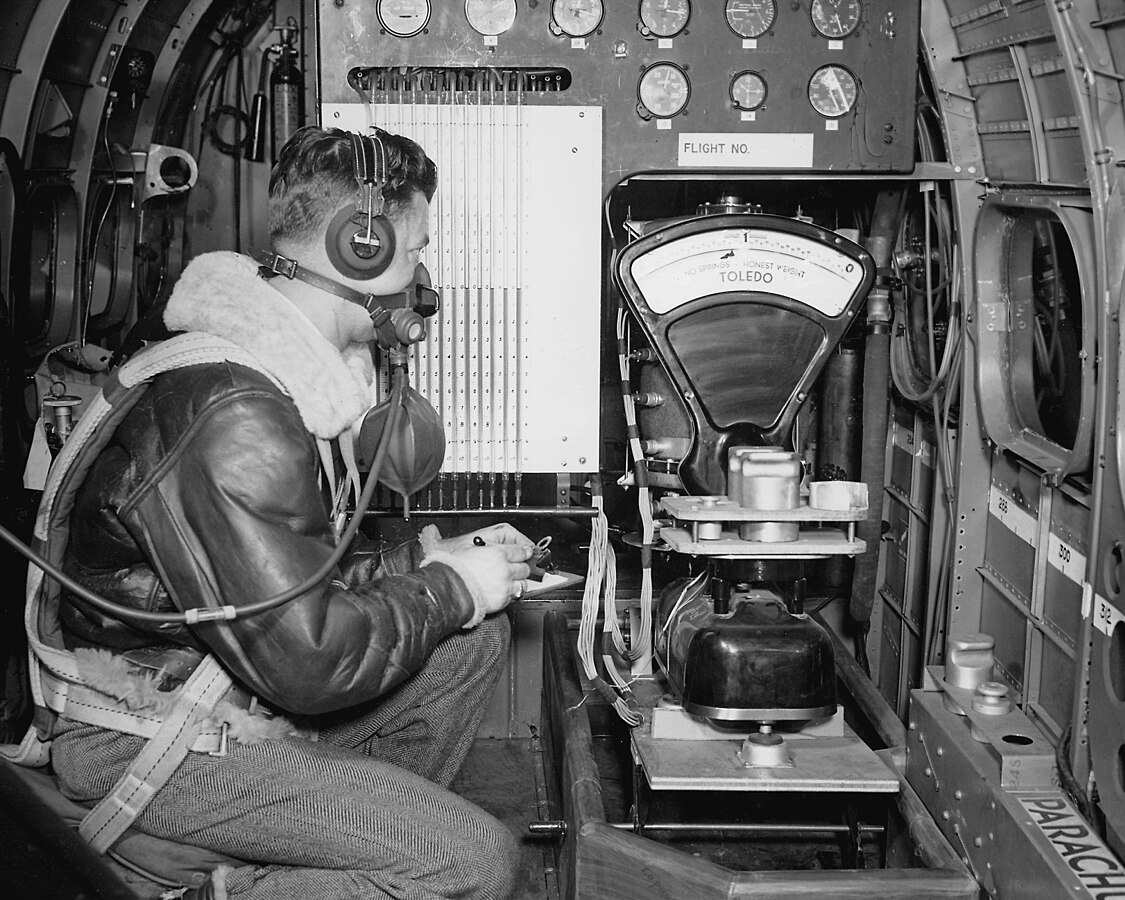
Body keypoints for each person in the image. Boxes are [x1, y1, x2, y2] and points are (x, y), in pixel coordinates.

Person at [44, 125, 534, 899]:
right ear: (360, 246)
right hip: (153, 728)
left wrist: (431, 565)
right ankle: (238, 885)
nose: (420, 276)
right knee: (473, 861)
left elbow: (285, 572)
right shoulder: (235, 409)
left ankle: (340, 848)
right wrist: (452, 588)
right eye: (413, 250)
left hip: (224, 685)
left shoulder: (270, 374)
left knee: (469, 641)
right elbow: (310, 664)